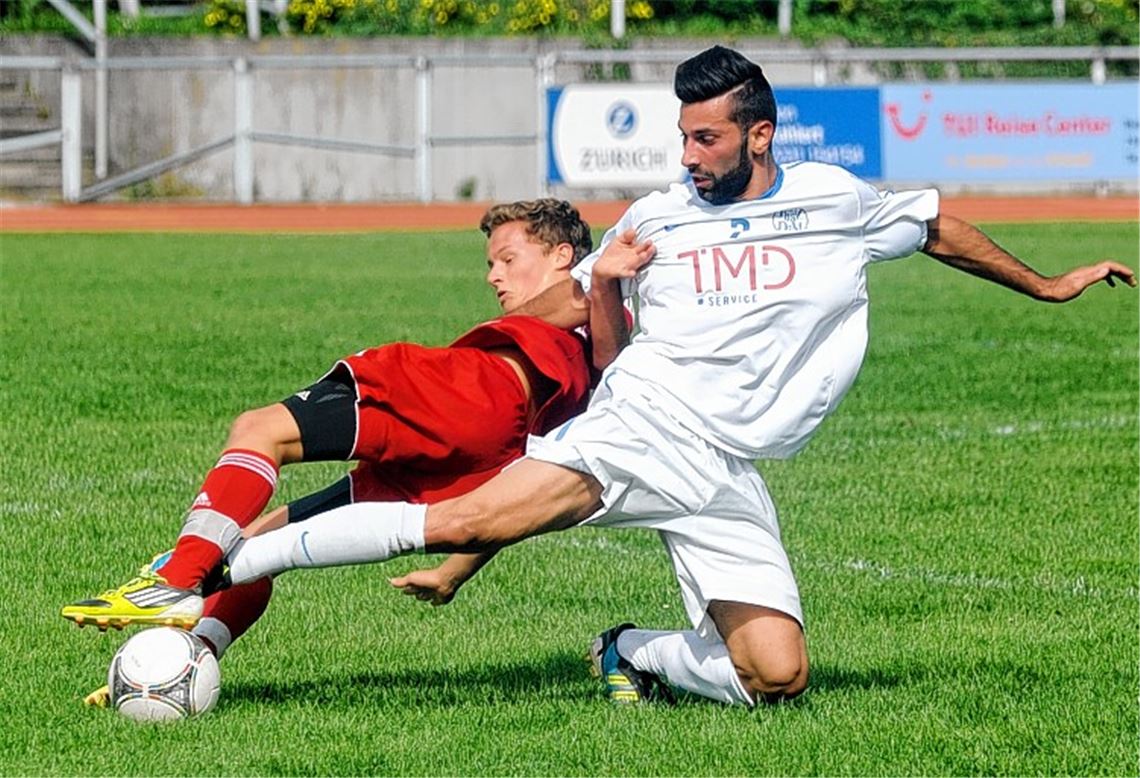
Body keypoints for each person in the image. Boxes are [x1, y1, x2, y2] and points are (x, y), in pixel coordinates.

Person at [74, 46, 1136, 709]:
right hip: (645, 427)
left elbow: (937, 222)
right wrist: (603, 287)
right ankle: (204, 570)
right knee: (461, 519)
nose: (688, 153)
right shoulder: (654, 219)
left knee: (776, 677)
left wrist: (1047, 287)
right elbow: (589, 337)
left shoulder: (832, 197)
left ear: (760, 135)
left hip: (729, 472)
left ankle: (631, 652)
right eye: (682, 134)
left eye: (708, 136)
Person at [63, 198, 648, 649]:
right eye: (490, 264)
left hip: (468, 393)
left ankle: (174, 581)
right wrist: (455, 571)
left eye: (508, 260)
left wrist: (596, 282)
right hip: (480, 458)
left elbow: (584, 314)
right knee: (259, 538)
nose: (494, 277)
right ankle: (188, 657)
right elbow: (526, 495)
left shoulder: (589, 288)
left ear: (563, 255)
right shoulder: (600, 331)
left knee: (261, 428)